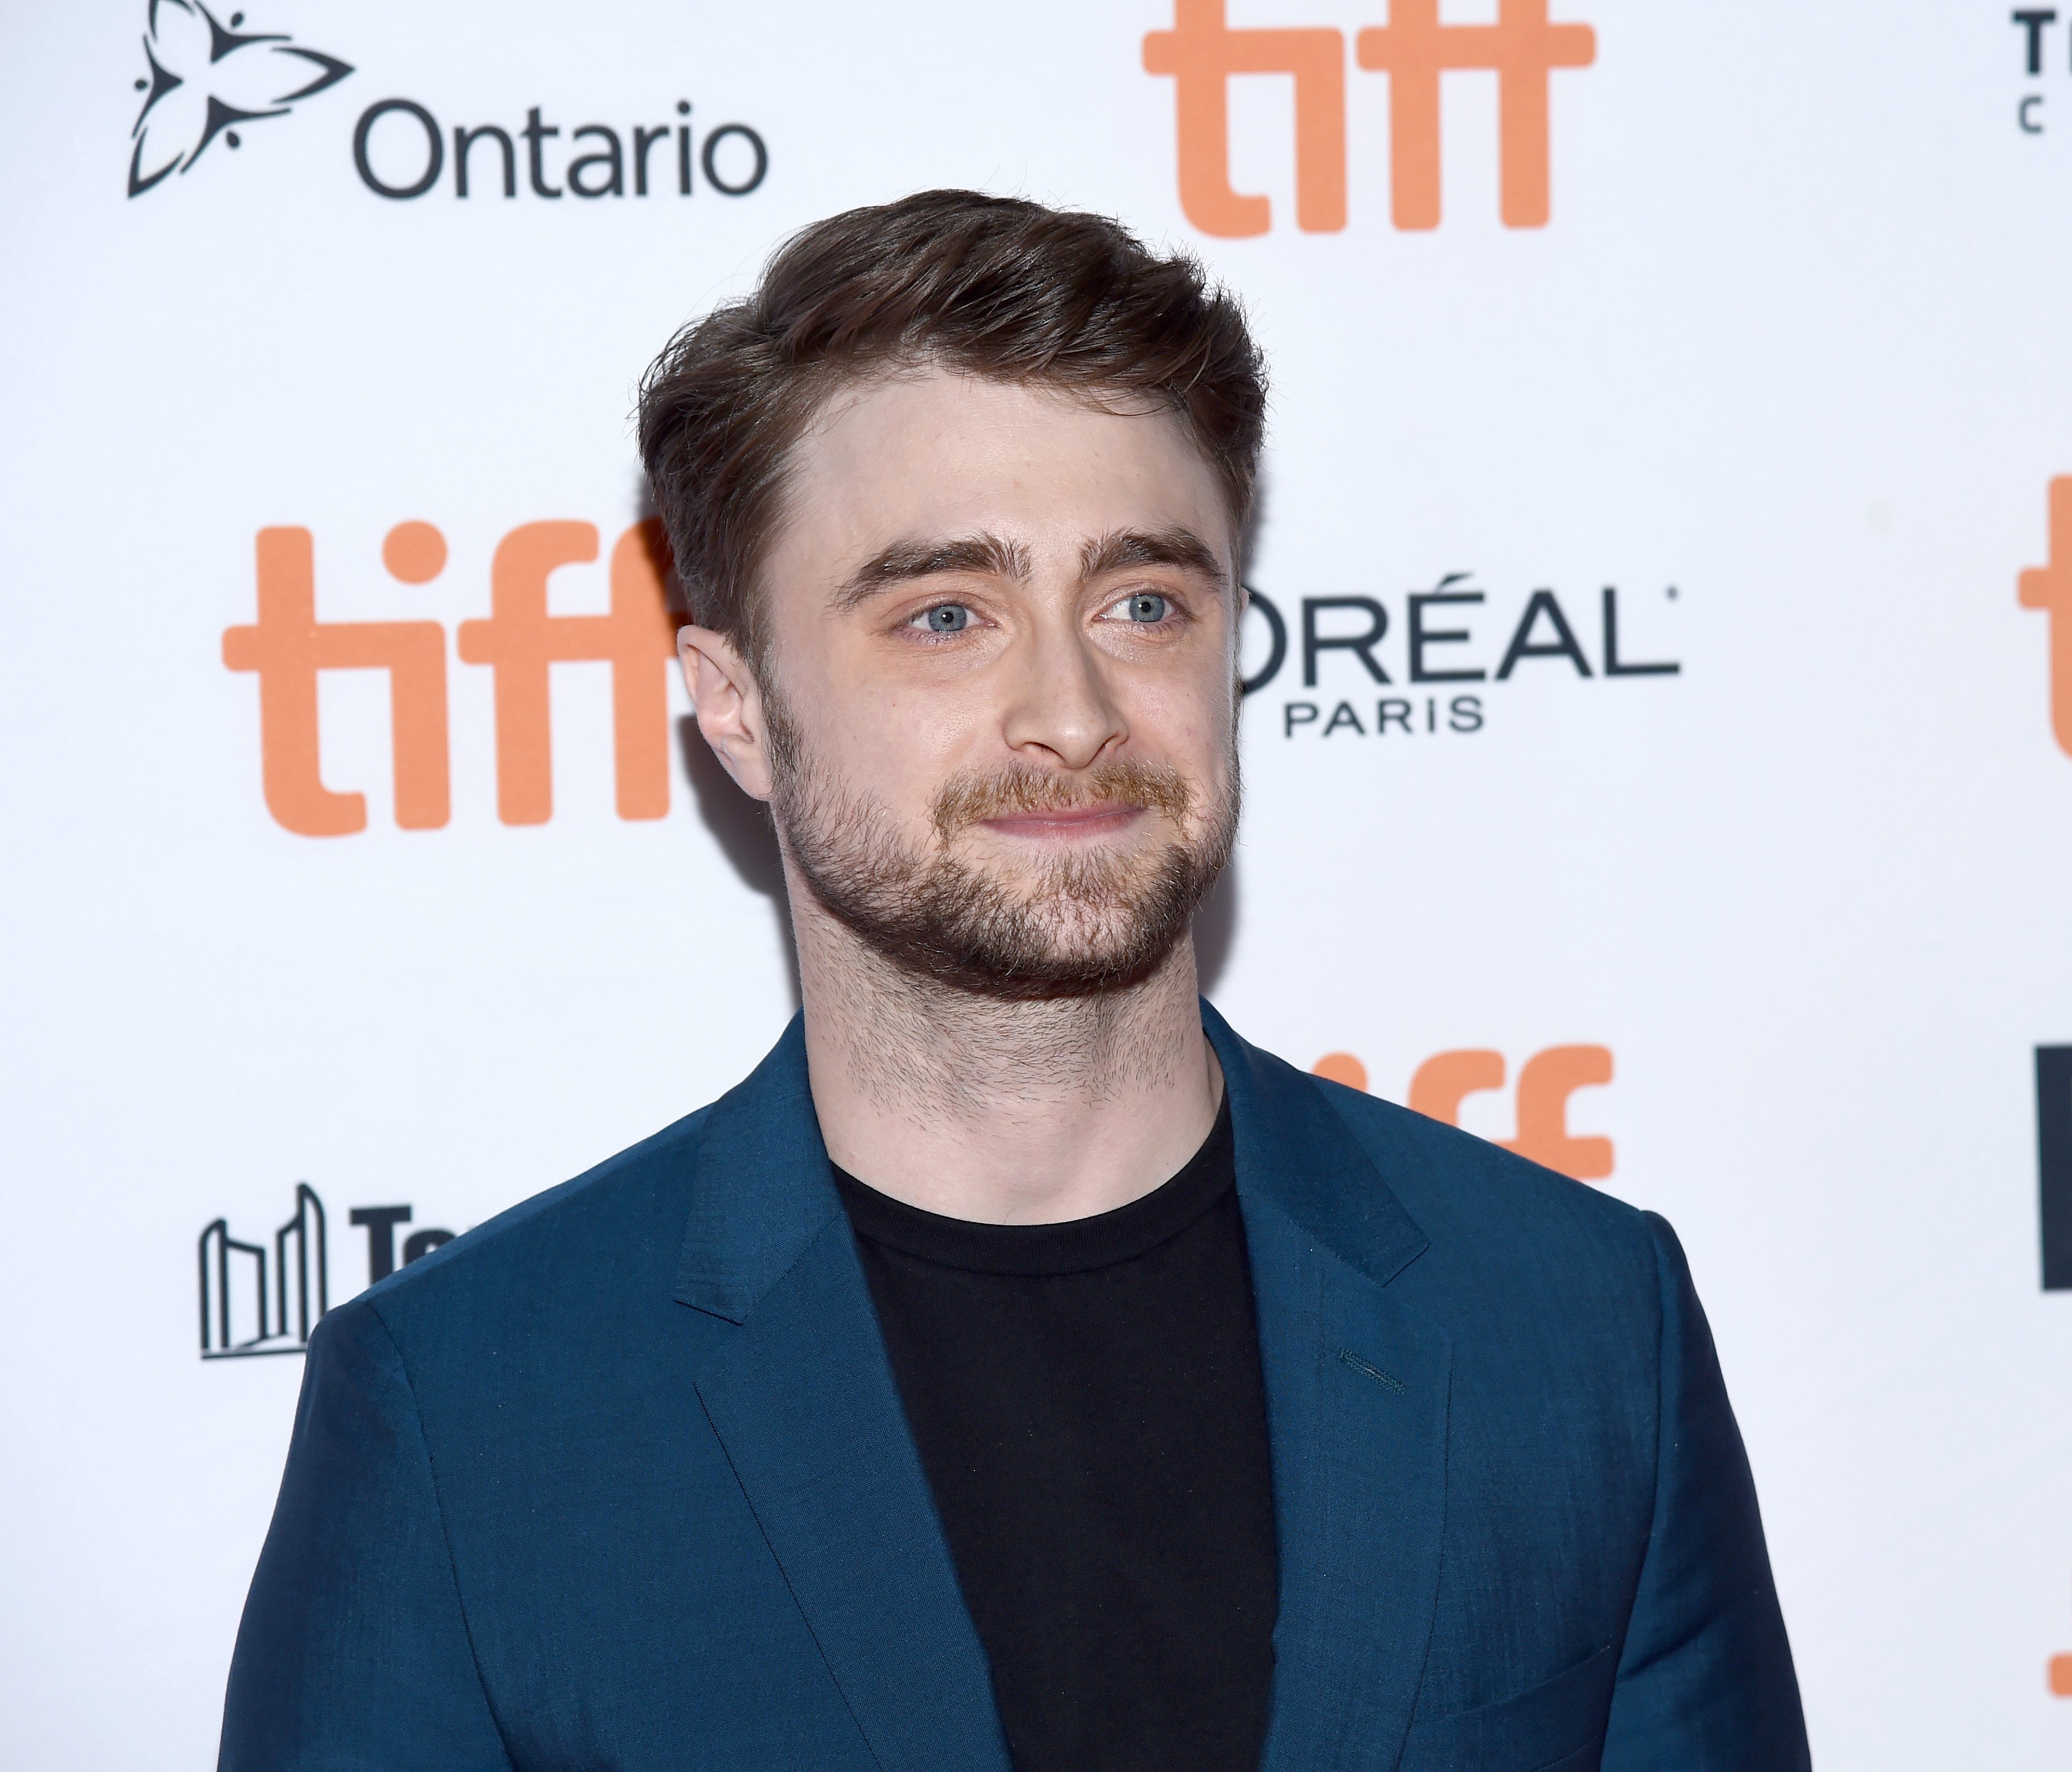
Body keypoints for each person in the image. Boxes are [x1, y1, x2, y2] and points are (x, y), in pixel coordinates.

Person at [219, 189, 1808, 1772]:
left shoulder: (1577, 1327)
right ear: (737, 707)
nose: (1071, 707)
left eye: (1141, 603)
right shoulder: (469, 1414)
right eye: (945, 616)